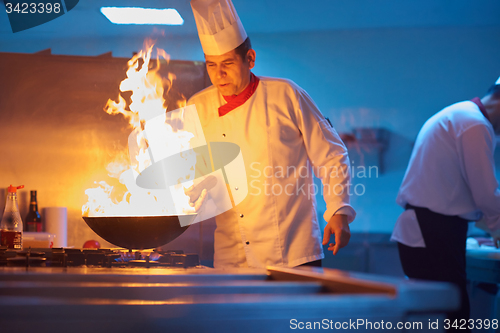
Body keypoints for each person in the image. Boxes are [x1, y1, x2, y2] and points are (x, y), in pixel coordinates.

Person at [185, 0, 356, 269]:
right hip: (230, 255)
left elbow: (332, 155)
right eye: (211, 65)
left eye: (227, 63)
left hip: (292, 252)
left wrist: (338, 209)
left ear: (250, 59)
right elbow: (195, 172)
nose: (219, 74)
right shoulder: (196, 107)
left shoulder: (286, 94)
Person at [391, 76, 500, 327]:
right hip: (434, 230)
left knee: (434, 315)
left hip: (425, 228)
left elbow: (463, 190)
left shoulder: (460, 114)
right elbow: (486, 192)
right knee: (454, 316)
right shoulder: (474, 123)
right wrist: (496, 224)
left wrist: (492, 222)